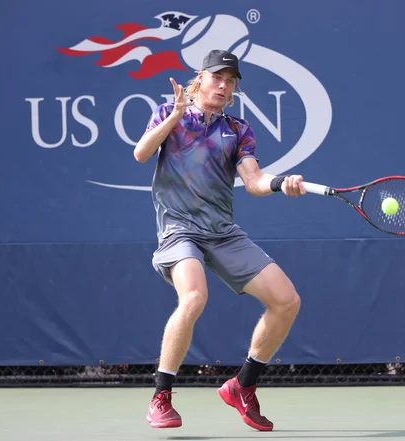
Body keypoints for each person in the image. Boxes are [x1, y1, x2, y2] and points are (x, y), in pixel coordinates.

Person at [134, 49, 305, 432]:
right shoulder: (168, 114)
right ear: (201, 78)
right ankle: (161, 396)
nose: (223, 86)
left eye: (230, 81)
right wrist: (175, 116)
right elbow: (141, 153)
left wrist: (281, 184)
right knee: (194, 296)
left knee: (286, 300)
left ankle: (242, 386)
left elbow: (255, 183)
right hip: (179, 228)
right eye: (217, 78)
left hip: (221, 232)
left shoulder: (239, 129)